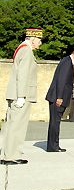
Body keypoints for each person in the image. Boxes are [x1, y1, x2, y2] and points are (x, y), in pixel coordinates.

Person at [0, 27, 43, 165]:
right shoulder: (26, 50)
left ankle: (5, 152)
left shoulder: (21, 48)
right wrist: (21, 96)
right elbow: (23, 74)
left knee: (10, 125)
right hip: (21, 94)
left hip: (16, 93)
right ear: (33, 39)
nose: (40, 43)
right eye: (39, 40)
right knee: (17, 126)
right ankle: (11, 155)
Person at [45, 48, 74, 152]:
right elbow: (61, 81)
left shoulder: (66, 61)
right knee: (55, 122)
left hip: (58, 97)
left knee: (55, 122)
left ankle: (53, 145)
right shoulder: (67, 62)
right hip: (57, 98)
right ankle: (53, 146)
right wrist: (59, 97)